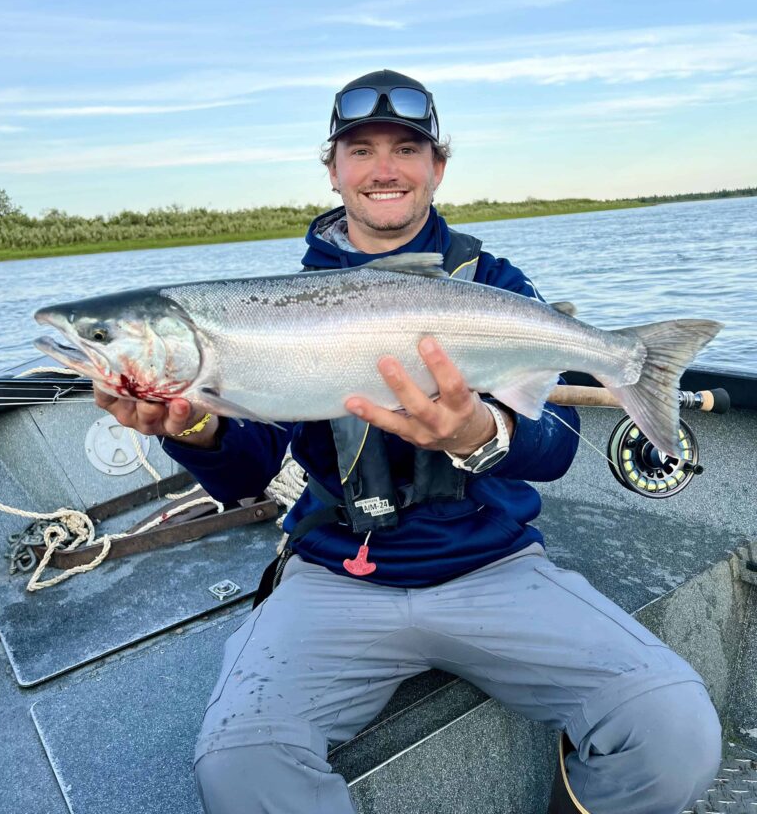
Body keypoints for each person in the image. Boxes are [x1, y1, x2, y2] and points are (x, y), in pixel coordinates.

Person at [96, 70, 721, 814]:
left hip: (492, 564)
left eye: (406, 149)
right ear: (333, 170)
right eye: (360, 150)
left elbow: (556, 448)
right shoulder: (268, 310)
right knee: (239, 769)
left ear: (438, 167)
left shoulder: (495, 283)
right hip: (335, 576)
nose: (383, 169)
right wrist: (197, 429)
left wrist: (483, 434)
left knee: (674, 733)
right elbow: (246, 475)